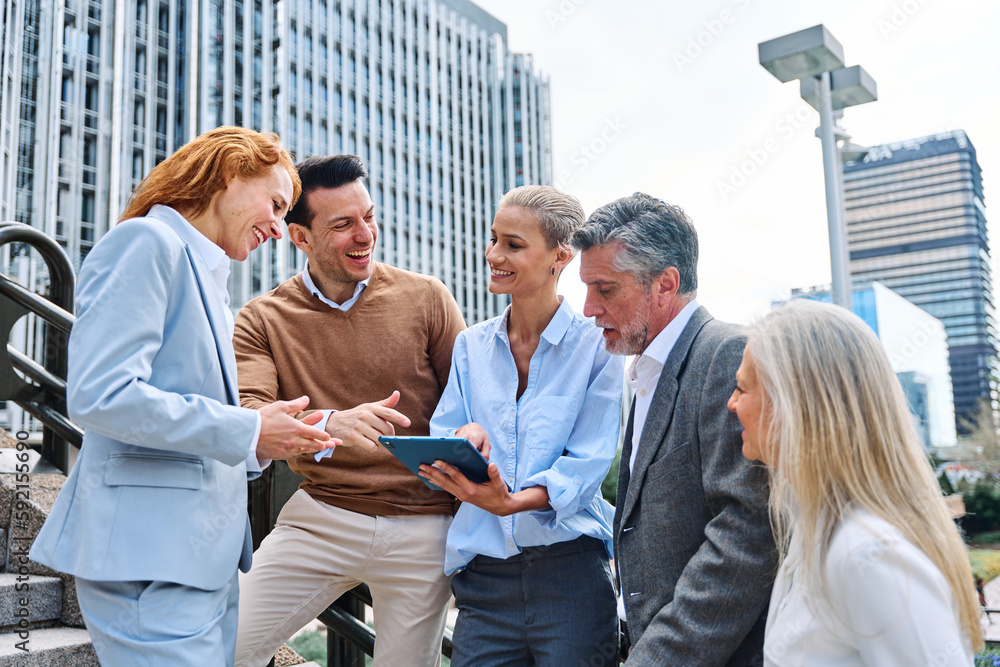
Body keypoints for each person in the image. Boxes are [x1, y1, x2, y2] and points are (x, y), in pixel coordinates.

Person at [29, 127, 333, 666]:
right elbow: (102, 395)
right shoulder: (146, 243)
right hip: (150, 559)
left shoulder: (207, 273)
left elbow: (180, 412)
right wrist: (248, 428)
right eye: (277, 203)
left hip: (195, 561)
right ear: (231, 174)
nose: (281, 226)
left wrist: (259, 441)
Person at [232, 154, 466, 667]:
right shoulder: (261, 319)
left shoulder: (427, 298)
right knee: (219, 649)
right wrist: (328, 424)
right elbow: (251, 415)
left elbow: (473, 402)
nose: (365, 234)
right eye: (343, 224)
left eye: (369, 216)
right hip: (321, 517)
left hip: (424, 526)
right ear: (301, 238)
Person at [420, 185, 624, 666]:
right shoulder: (470, 346)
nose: (494, 255)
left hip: (570, 575)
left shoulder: (597, 347)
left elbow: (588, 462)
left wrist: (511, 503)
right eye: (493, 240)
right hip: (484, 579)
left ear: (560, 256)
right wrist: (463, 439)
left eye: (513, 244)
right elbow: (446, 429)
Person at [572, 192, 775, 665]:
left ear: (665, 284)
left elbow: (747, 534)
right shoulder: (646, 370)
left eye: (605, 289)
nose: (587, 308)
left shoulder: (728, 356)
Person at [728, 299, 984, 665]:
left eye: (741, 388)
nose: (731, 403)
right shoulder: (817, 532)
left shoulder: (867, 554)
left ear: (796, 405)